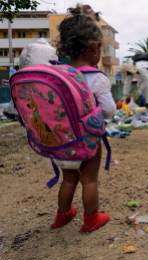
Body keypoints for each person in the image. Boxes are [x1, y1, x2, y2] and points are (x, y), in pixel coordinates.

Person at [50, 6, 116, 232]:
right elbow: (108, 110)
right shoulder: (97, 78)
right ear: (92, 49)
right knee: (89, 180)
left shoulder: (59, 75)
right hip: (87, 142)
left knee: (68, 179)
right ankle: (91, 219)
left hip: (62, 142)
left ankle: (63, 215)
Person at [3, 39, 58, 120]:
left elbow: (22, 64)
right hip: (47, 83)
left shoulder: (28, 48)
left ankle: (13, 110)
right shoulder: (53, 51)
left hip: (28, 80)